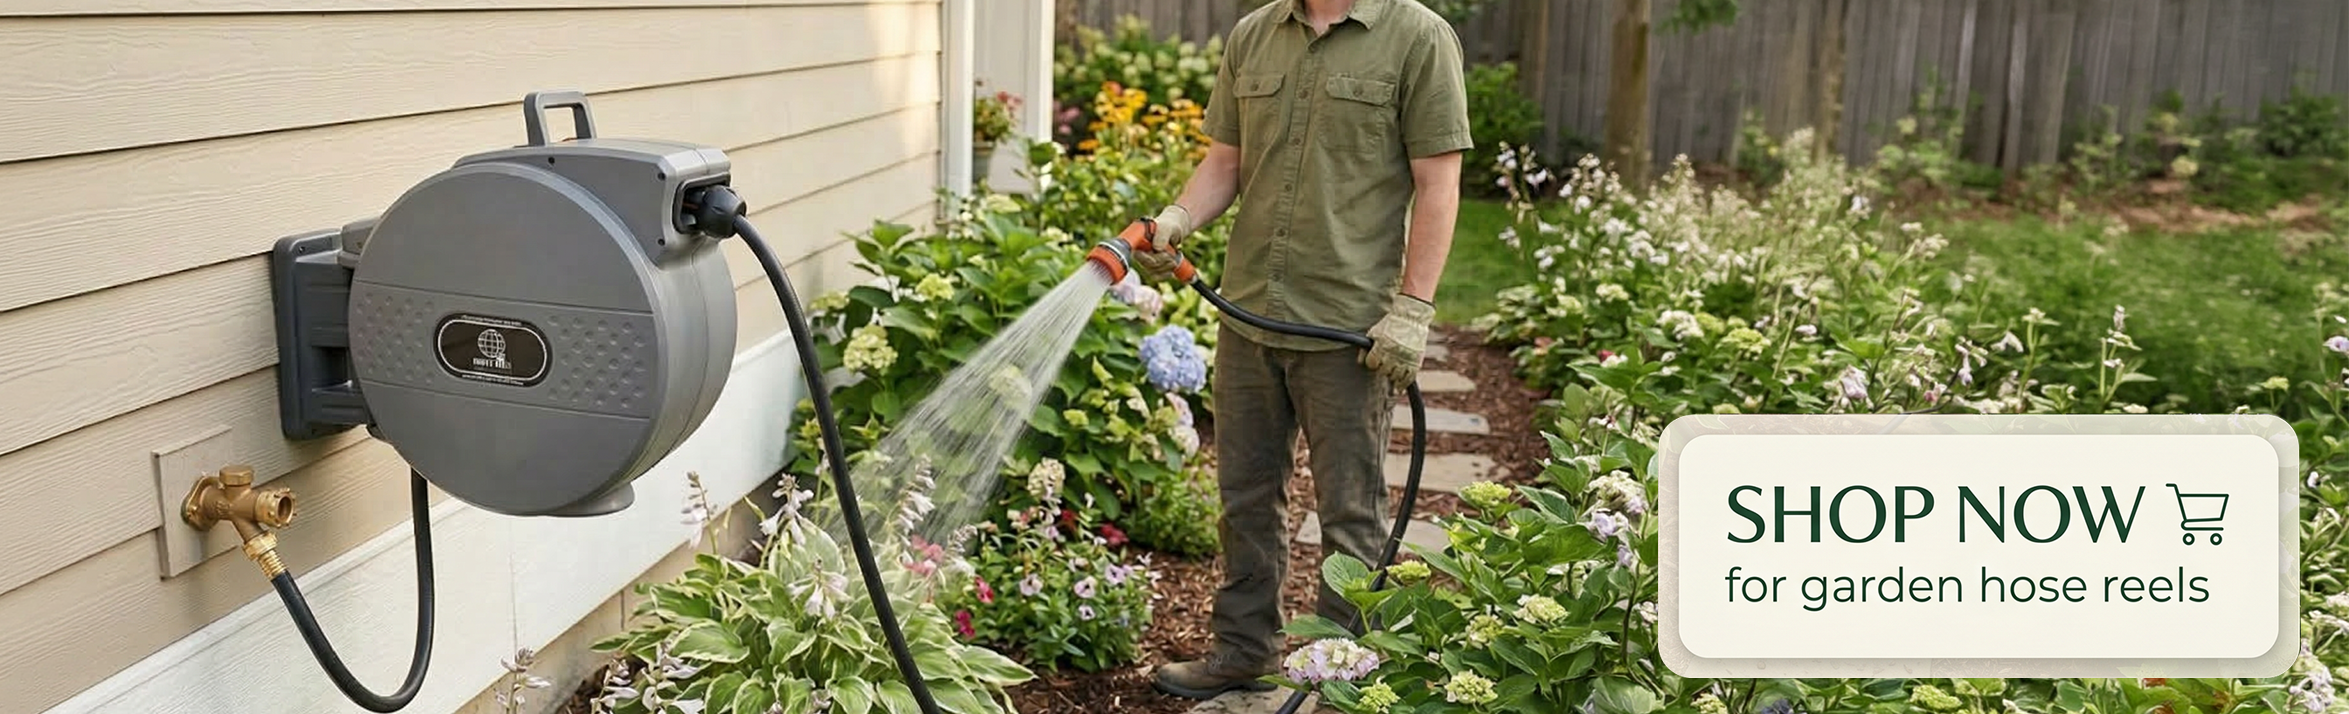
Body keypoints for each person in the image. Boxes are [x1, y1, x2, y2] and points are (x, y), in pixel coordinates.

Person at [1129, 0, 1470, 700]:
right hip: (1249, 308)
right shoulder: (1254, 35)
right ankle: (1243, 648)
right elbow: (1226, 160)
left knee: (1350, 511)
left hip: (1346, 324)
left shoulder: (1417, 37)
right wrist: (1175, 218)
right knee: (1245, 496)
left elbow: (1439, 184)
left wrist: (1412, 308)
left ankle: (1349, 674)